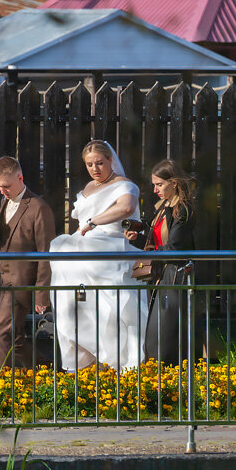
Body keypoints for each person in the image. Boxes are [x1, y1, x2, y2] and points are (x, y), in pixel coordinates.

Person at [49, 139, 147, 371]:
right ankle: (84, 354)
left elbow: (125, 207)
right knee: (61, 250)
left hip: (107, 243)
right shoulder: (87, 188)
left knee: (109, 308)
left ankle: (115, 358)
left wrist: (94, 222)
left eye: (100, 163)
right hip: (83, 244)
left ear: (111, 160)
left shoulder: (125, 185)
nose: (95, 169)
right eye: (89, 164)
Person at [0, 156, 56, 371]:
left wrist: (42, 293)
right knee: (15, 338)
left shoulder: (39, 207)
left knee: (1, 334)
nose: (2, 191)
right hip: (4, 279)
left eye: (6, 186)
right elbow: (9, 238)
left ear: (20, 178)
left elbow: (45, 252)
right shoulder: (5, 202)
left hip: (22, 282)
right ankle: (48, 371)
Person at [124, 159, 197, 364]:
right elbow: (157, 243)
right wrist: (137, 239)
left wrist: (151, 251)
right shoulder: (164, 206)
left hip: (175, 277)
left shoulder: (182, 209)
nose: (155, 190)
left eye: (160, 184)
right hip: (162, 275)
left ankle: (169, 380)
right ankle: (162, 379)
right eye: (154, 184)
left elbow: (176, 247)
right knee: (157, 333)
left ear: (174, 183)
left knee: (165, 335)